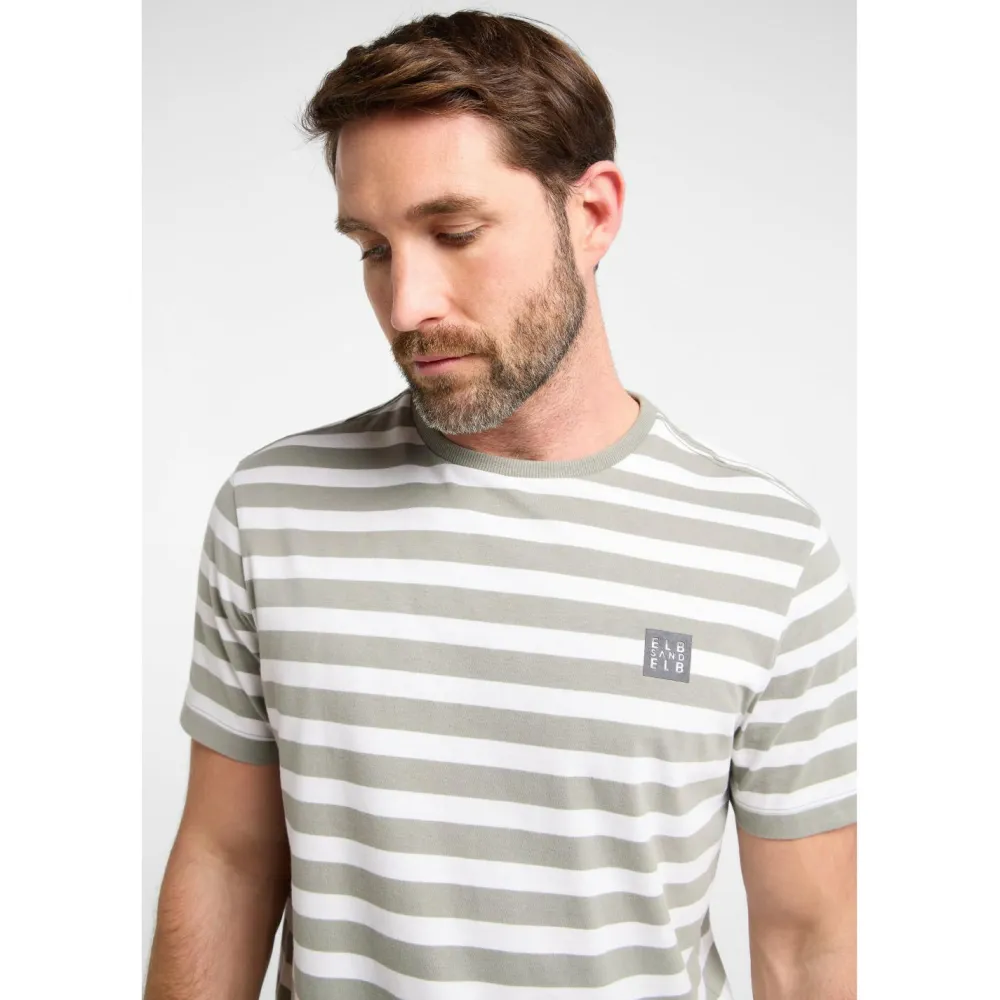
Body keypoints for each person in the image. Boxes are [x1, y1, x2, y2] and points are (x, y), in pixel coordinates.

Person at [144, 10, 857, 1000]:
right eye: (373, 247)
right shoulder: (273, 514)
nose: (407, 304)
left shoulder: (770, 557)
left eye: (455, 233)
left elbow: (809, 943)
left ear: (592, 212)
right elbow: (226, 862)